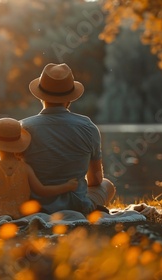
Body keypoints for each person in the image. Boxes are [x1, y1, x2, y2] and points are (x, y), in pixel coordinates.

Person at [21, 63, 116, 215]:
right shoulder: (88, 127)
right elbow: (95, 181)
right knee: (107, 185)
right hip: (76, 205)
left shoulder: (24, 127)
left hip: (34, 206)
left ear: (40, 96)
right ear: (70, 99)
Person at [0, 118, 78, 219]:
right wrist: (67, 186)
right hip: (20, 215)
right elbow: (42, 190)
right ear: (18, 143)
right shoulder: (26, 168)